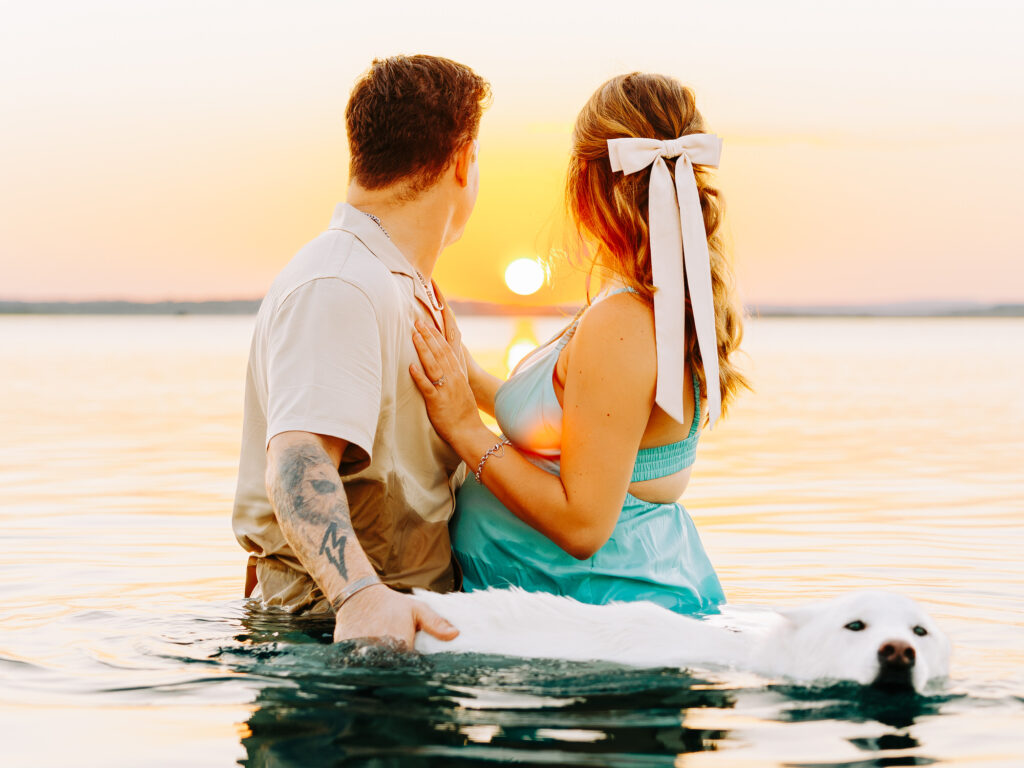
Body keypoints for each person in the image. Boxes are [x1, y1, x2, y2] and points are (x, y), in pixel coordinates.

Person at [410, 72, 748, 614]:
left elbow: (583, 524)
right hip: (589, 630)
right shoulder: (643, 306)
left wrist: (465, 430)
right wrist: (469, 379)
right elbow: (582, 429)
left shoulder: (624, 323)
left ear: (585, 182)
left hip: (600, 644)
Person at [231, 55, 490, 646]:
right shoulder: (340, 282)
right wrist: (359, 594)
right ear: (462, 160)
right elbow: (298, 457)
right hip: (339, 640)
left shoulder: (392, 279)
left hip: (399, 626)